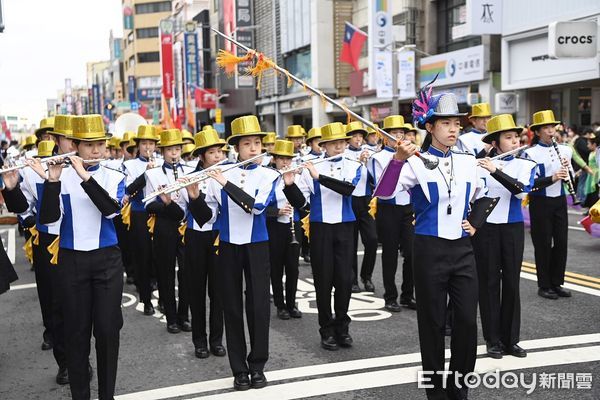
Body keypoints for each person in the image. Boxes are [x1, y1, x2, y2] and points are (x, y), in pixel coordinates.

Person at [373, 91, 496, 400]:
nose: (453, 129)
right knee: (432, 324)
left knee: (467, 322)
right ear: (429, 127)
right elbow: (384, 194)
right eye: (445, 123)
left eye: (456, 123)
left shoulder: (468, 161)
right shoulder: (414, 162)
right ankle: (436, 393)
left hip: (463, 251)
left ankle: (459, 390)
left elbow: (484, 195)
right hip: (428, 250)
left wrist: (476, 221)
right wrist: (398, 161)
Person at [188, 115, 279, 391]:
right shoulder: (219, 174)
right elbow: (207, 218)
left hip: (257, 246)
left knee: (259, 307)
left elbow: (257, 207)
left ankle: (258, 365)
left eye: (257, 143)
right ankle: (239, 369)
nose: (254, 149)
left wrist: (225, 183)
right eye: (248, 144)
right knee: (231, 308)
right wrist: (194, 197)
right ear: (236, 148)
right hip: (226, 247)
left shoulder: (269, 175)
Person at [38, 114, 126, 400]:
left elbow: (111, 211)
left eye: (100, 143)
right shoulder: (59, 177)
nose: (96, 150)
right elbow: (49, 224)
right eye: (88, 145)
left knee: (107, 331)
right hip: (71, 261)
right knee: (76, 335)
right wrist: (52, 182)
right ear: (74, 146)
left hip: (107, 261)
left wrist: (85, 177)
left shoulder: (115, 175)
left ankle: (107, 396)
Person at [283, 122, 362, 351]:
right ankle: (326, 329)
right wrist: (289, 185)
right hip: (320, 228)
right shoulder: (310, 167)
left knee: (345, 281)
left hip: (346, 227)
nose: (339, 147)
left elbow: (348, 189)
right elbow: (302, 204)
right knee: (323, 281)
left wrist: (319, 177)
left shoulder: (354, 165)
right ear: (324, 145)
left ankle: (343, 328)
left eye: (342, 142)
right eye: (333, 143)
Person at [474, 114, 537, 359]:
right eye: (508, 138)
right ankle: (493, 340)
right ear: (495, 143)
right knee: (489, 283)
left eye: (516, 137)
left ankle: (511, 340)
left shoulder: (526, 163)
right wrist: (486, 166)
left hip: (512, 227)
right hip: (486, 229)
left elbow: (521, 193)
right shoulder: (479, 164)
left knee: (511, 282)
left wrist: (496, 171)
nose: (514, 141)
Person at [144, 128, 194, 333]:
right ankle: (171, 318)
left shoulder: (191, 170)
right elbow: (148, 205)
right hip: (165, 226)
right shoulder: (152, 173)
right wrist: (167, 204)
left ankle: (184, 315)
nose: (174, 153)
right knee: (166, 272)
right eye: (169, 149)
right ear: (162, 151)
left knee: (187, 273)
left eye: (177, 149)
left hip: (187, 224)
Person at [182, 127, 226, 358]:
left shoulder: (227, 173)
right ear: (201, 156)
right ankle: (199, 341)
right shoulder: (190, 176)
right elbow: (190, 211)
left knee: (218, 292)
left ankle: (216, 340)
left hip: (219, 235)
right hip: (196, 235)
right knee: (196, 290)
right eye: (212, 153)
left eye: (219, 151)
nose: (218, 156)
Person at [368, 115, 416, 311]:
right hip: (388, 208)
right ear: (384, 136)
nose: (399, 136)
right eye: (394, 133)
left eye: (402, 133)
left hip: (409, 208)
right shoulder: (377, 157)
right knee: (390, 253)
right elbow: (384, 187)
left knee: (412, 253)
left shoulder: (414, 155)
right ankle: (390, 296)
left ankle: (407, 294)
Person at [524, 110, 574, 300]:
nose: (551, 130)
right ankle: (544, 285)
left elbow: (571, 180)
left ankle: (557, 282)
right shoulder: (530, 153)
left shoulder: (565, 150)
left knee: (561, 243)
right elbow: (529, 184)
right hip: (540, 203)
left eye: (553, 127)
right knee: (543, 244)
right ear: (537, 132)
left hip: (560, 201)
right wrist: (552, 177)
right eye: (546, 127)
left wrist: (568, 173)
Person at [122, 125, 162, 316]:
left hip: (160, 213)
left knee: (161, 256)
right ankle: (146, 300)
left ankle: (164, 298)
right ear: (138, 145)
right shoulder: (130, 165)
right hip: (140, 213)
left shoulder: (161, 162)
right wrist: (145, 173)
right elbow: (129, 190)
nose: (148, 147)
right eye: (144, 143)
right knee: (143, 257)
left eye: (151, 143)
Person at [264, 139, 303, 320]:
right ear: (275, 159)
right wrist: (277, 211)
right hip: (274, 226)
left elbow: (304, 203)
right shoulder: (267, 178)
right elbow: (261, 207)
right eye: (281, 159)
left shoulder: (298, 177)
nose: (285, 162)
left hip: (293, 225)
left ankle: (291, 303)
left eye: (288, 159)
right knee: (277, 267)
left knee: (293, 267)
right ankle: (280, 304)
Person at [344, 121, 378, 294]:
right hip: (349, 200)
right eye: (354, 136)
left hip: (366, 200)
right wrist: (358, 162)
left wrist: (368, 162)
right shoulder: (343, 154)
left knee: (372, 240)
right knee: (350, 243)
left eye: (360, 136)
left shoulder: (370, 153)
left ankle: (367, 276)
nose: (358, 139)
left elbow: (376, 178)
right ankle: (352, 279)